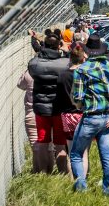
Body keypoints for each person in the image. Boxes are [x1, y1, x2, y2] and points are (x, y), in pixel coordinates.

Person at [70, 33, 109, 195]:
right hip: (107, 117)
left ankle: (81, 188)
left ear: (87, 52)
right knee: (107, 156)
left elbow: (77, 98)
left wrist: (80, 105)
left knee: (76, 154)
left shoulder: (82, 70)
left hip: (90, 117)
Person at [28, 35, 69, 174]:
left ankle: (44, 173)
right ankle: (63, 173)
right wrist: (66, 51)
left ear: (44, 45)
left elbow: (33, 64)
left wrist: (41, 50)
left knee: (42, 141)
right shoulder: (64, 64)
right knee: (60, 144)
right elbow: (73, 63)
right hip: (58, 108)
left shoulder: (35, 64)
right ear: (59, 46)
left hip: (41, 108)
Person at [58, 42, 89, 177]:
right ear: (83, 58)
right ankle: (82, 179)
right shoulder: (85, 74)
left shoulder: (62, 75)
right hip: (83, 114)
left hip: (67, 115)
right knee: (84, 152)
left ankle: (73, 179)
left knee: (72, 151)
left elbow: (59, 95)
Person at [16, 69, 37, 146]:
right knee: (51, 147)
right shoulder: (56, 70)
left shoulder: (30, 72)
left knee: (36, 147)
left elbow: (20, 84)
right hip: (51, 113)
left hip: (32, 113)